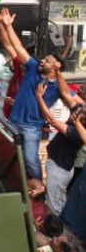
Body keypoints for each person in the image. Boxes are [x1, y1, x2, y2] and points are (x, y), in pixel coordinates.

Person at [0, 8, 64, 181]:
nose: (42, 61)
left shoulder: (58, 87)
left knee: (31, 160)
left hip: (31, 127)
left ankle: (38, 188)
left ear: (56, 67)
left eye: (47, 60)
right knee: (9, 157)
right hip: (14, 121)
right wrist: (8, 26)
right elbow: (17, 46)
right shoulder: (33, 67)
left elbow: (72, 99)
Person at [36, 86, 86, 215]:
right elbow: (67, 94)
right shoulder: (79, 117)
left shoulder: (78, 133)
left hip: (59, 169)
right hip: (63, 167)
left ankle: (56, 231)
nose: (82, 108)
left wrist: (39, 97)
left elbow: (52, 120)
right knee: (59, 198)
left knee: (54, 205)